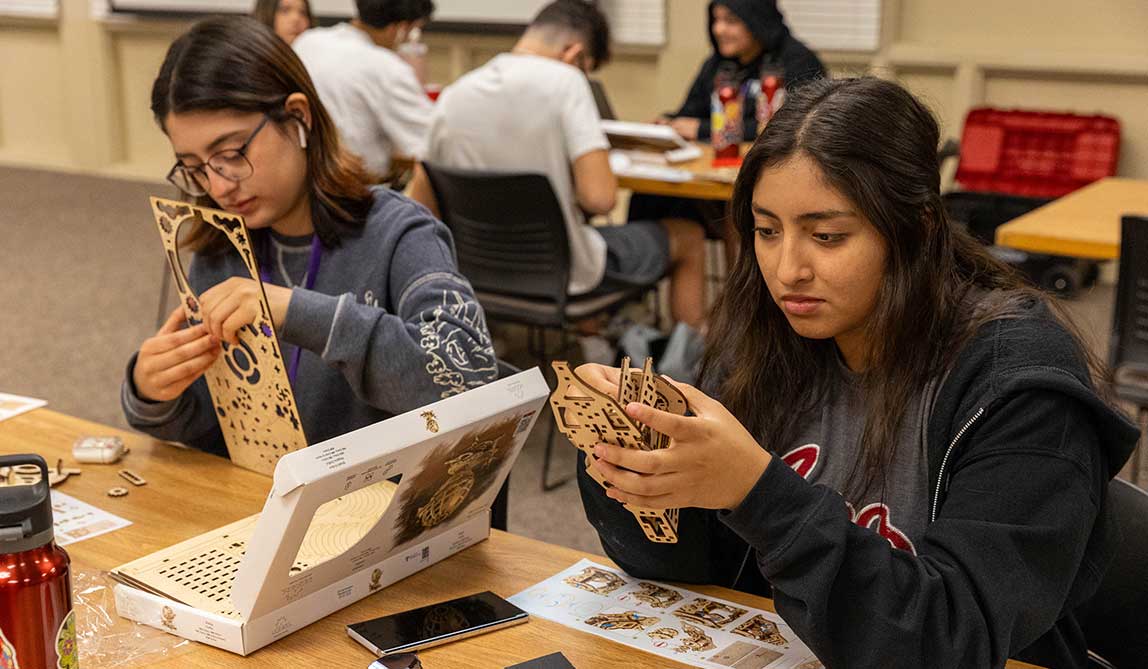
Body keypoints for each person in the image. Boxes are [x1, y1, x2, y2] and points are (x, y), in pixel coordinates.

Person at [575, 77, 1137, 668]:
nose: (788, 269)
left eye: (828, 237)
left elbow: (951, 642)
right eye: (766, 231)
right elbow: (695, 572)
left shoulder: (1019, 387)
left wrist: (758, 493)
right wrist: (629, 473)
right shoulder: (775, 339)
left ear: (916, 230)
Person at [122, 16, 497, 456]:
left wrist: (296, 311)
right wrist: (153, 391)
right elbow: (215, 428)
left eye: (230, 154)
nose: (219, 186)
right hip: (261, 506)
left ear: (298, 117)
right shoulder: (220, 245)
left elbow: (468, 383)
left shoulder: (400, 232)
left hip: (370, 507)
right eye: (195, 167)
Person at [407, 0, 706, 329]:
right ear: (574, 54)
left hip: (478, 273)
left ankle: (592, 341)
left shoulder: (456, 93)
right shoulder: (567, 81)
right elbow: (601, 199)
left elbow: (419, 201)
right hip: (567, 275)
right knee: (688, 236)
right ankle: (687, 371)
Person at [293, 0, 435, 177]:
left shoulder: (307, 42)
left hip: (301, 179)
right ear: (399, 29)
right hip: (360, 187)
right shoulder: (387, 68)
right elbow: (431, 145)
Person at [661, 0, 825, 142]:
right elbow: (691, 113)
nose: (718, 29)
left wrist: (703, 129)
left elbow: (794, 127)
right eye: (716, 19)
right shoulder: (717, 62)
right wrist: (668, 123)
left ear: (758, 22)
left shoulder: (799, 62)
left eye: (730, 21)